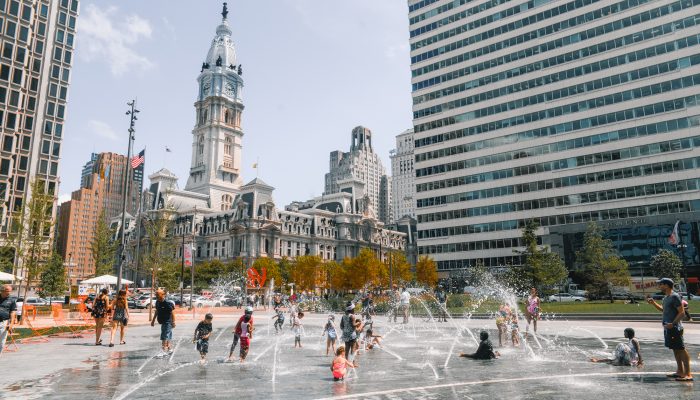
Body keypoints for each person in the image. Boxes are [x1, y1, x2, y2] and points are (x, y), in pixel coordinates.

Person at [647, 278, 693, 381]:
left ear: (667, 285)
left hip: (675, 327)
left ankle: (688, 374)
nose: (660, 286)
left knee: (681, 349)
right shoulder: (666, 298)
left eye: (661, 284)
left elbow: (682, 313)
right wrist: (654, 303)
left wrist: (673, 324)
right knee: (675, 349)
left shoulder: (675, 296)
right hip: (669, 328)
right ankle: (680, 371)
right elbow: (664, 310)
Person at [150, 289, 176, 354]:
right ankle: (169, 348)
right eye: (156, 295)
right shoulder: (157, 302)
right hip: (162, 321)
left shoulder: (168, 303)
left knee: (165, 335)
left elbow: (172, 313)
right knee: (167, 334)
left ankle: (163, 350)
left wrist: (173, 322)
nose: (156, 296)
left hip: (168, 321)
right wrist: (153, 320)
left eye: (158, 294)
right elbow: (157, 311)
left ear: (163, 295)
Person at [0, 284, 17, 357]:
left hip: (4, 323)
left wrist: (11, 324)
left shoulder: (12, 300)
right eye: (7, 291)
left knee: (2, 342)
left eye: (10, 291)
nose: (9, 293)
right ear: (2, 291)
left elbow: (13, 312)